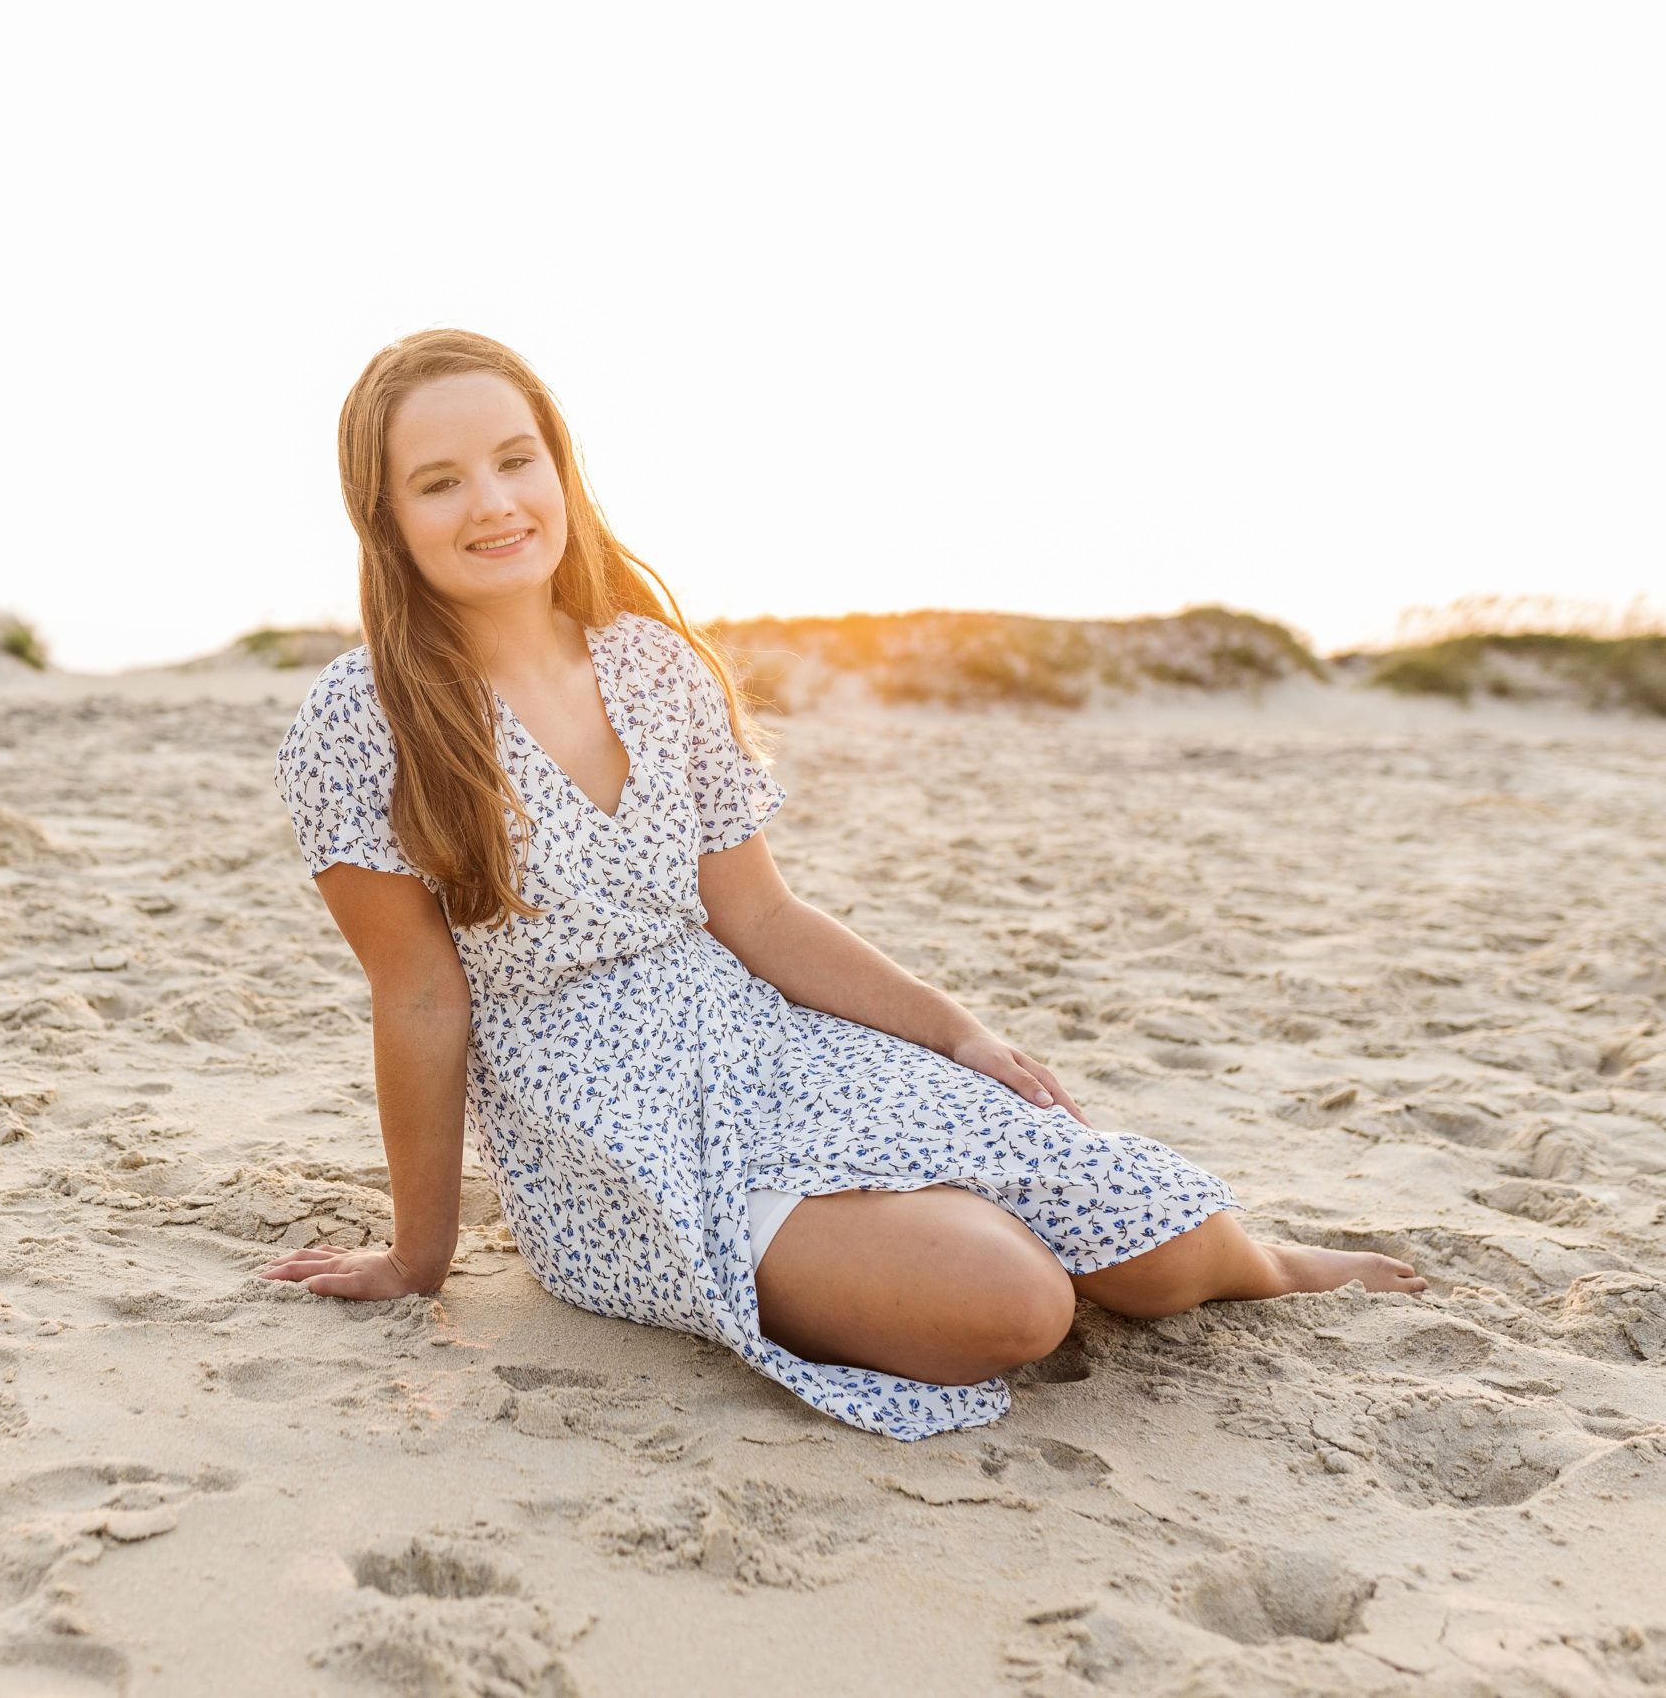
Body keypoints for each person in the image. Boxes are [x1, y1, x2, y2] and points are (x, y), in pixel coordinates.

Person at [258, 329, 1428, 1441]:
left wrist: (955, 1034)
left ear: (560, 468)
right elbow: (418, 999)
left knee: (1163, 1251)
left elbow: (758, 914)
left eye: (517, 461)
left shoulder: (654, 667)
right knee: (1014, 1306)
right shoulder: (363, 720)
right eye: (441, 481)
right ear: (386, 517)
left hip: (756, 1040)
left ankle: (1266, 1265)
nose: (496, 503)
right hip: (599, 1121)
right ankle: (938, 1238)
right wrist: (419, 1257)